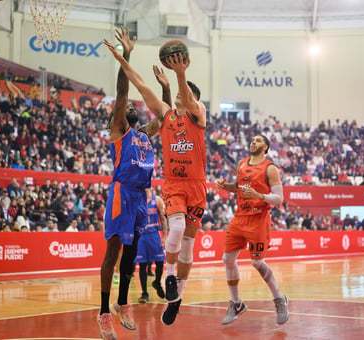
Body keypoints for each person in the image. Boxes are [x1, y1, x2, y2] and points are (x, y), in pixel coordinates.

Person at [104, 37, 207, 327]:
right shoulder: (166, 114)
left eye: (184, 96)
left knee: (187, 246)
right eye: (177, 96)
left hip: (197, 186)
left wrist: (181, 72)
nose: (179, 98)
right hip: (174, 184)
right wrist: (123, 59)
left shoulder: (199, 115)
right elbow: (140, 85)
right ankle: (168, 278)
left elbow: (188, 97)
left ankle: (177, 299)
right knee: (175, 227)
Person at [98, 27, 157, 340]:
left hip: (141, 198)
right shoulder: (121, 130)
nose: (131, 106)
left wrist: (165, 86)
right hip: (122, 193)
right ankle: (104, 312)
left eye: (135, 108)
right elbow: (123, 93)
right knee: (113, 253)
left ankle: (123, 303)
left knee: (132, 253)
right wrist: (127, 54)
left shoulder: (145, 134)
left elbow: (163, 117)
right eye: (126, 109)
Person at [216, 134, 289, 326]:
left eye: (258, 140)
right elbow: (239, 188)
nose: (253, 142)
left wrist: (259, 195)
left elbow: (279, 198)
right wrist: (226, 186)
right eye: (252, 140)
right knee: (227, 259)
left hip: (258, 219)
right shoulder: (241, 164)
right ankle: (236, 303)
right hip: (240, 217)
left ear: (265, 147)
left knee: (257, 262)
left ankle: (279, 299)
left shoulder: (270, 168)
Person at [135, 188, 168, 303]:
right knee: (142, 265)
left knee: (160, 262)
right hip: (141, 236)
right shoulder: (136, 201)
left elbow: (163, 219)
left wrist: (164, 237)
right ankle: (144, 293)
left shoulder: (157, 200)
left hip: (154, 234)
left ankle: (157, 282)